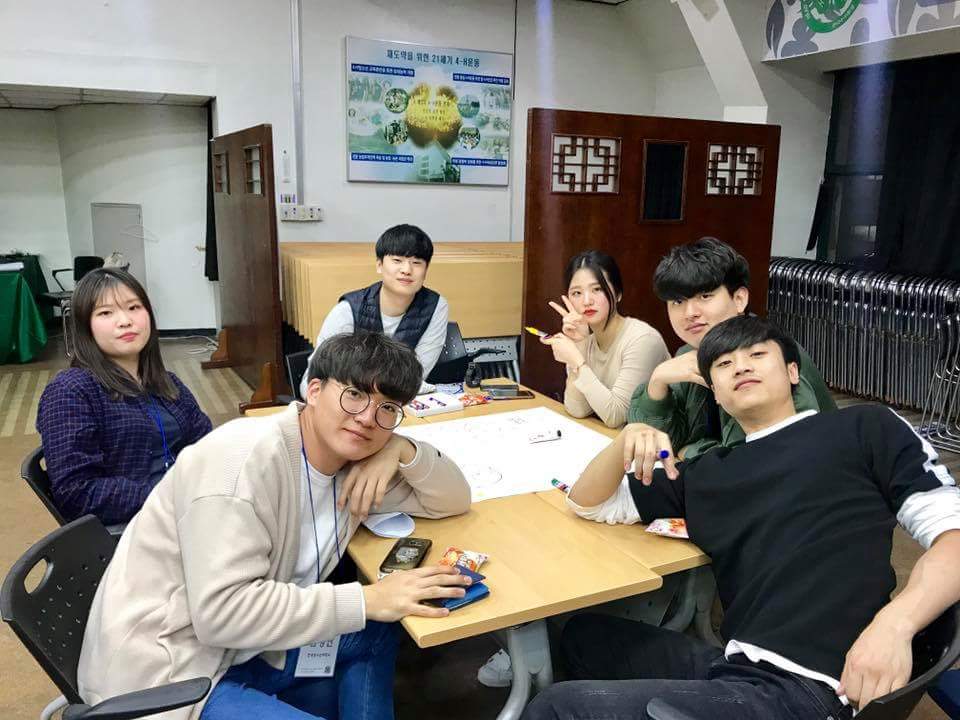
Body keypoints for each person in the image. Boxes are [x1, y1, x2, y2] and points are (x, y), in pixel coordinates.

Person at [522, 316, 960, 719]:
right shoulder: (707, 472)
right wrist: (624, 441)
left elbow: (954, 536)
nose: (741, 367)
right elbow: (587, 503)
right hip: (736, 667)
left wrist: (895, 625)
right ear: (715, 392)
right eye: (724, 363)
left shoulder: (862, 429)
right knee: (583, 635)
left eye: (757, 354)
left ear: (793, 372)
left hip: (812, 689)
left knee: (558, 708)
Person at [78, 332, 473, 720]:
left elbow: (452, 499)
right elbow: (223, 615)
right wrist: (368, 599)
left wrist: (401, 449)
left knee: (377, 631)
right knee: (371, 613)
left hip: (249, 649)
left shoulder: (351, 465)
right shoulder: (240, 462)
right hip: (171, 677)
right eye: (354, 394)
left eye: (387, 407)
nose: (368, 418)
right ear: (314, 390)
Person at [626, 236, 835, 461]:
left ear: (739, 299)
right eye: (678, 302)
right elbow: (656, 448)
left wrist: (691, 451)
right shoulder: (688, 355)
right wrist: (658, 381)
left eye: (705, 296)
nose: (690, 313)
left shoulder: (772, 354)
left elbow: (768, 455)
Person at [36, 267, 211, 525]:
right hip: (139, 528)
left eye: (134, 307)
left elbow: (206, 444)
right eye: (106, 313)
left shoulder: (166, 382)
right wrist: (166, 497)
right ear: (85, 326)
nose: (125, 321)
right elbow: (76, 493)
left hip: (191, 512)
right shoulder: (71, 391)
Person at [300, 224, 448, 398]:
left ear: (426, 270)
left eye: (416, 263)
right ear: (379, 265)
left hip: (397, 402)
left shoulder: (435, 306)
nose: (407, 270)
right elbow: (314, 379)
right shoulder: (348, 310)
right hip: (345, 400)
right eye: (397, 260)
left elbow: (416, 375)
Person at [541, 250, 669, 429]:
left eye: (597, 289)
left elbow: (616, 416)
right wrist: (579, 346)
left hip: (656, 443)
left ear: (618, 293)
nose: (587, 301)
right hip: (614, 440)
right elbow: (578, 409)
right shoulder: (586, 340)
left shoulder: (642, 339)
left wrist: (577, 362)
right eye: (577, 293)